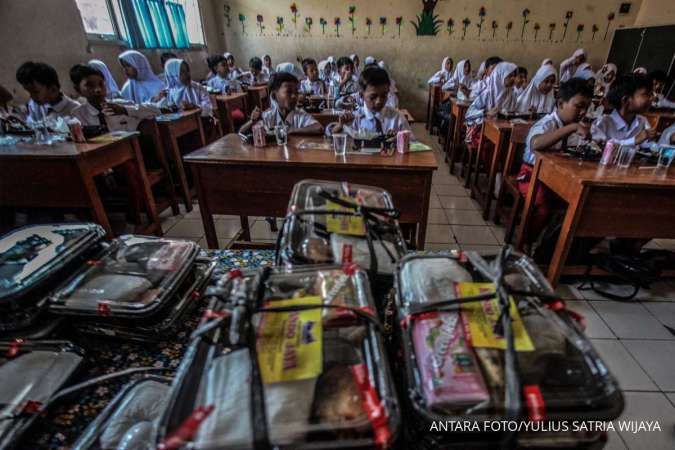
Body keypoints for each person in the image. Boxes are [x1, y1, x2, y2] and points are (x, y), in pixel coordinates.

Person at [518, 78, 594, 240]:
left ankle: (552, 245)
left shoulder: (576, 127)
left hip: (556, 177)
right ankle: (526, 240)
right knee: (543, 206)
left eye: (586, 108)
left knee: (577, 204)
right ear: (560, 104)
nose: (583, 112)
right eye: (578, 106)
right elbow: (536, 144)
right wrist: (571, 128)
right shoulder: (547, 124)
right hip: (531, 176)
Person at [69, 64, 158, 135]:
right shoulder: (78, 115)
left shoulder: (120, 105)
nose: (98, 90)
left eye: (101, 84)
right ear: (78, 90)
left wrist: (124, 110)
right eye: (89, 85)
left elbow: (156, 110)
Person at [328, 66, 412, 138]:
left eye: (384, 95)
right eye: (373, 97)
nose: (379, 101)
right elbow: (329, 134)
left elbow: (412, 144)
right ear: (361, 95)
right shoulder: (355, 119)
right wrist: (340, 126)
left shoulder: (397, 118)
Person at [240, 72, 323, 135]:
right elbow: (241, 133)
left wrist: (289, 131)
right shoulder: (268, 116)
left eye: (296, 92)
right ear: (273, 96)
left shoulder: (300, 115)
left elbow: (318, 128)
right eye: (289, 92)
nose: (294, 96)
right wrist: (252, 121)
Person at [591, 74, 656, 147]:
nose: (651, 98)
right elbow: (599, 147)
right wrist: (634, 140)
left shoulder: (642, 121)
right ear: (625, 100)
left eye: (651, 94)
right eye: (646, 94)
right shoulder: (603, 122)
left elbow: (649, 146)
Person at [464, 62, 518, 147]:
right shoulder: (488, 93)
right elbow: (468, 114)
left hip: (501, 130)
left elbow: (512, 114)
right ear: (501, 75)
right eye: (510, 76)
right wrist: (485, 113)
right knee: (494, 144)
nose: (513, 79)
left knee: (511, 144)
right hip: (480, 130)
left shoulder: (512, 95)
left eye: (515, 76)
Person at [16, 61, 80, 122]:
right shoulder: (34, 105)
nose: (32, 97)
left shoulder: (75, 110)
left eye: (36, 92)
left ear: (53, 89)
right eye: (29, 92)